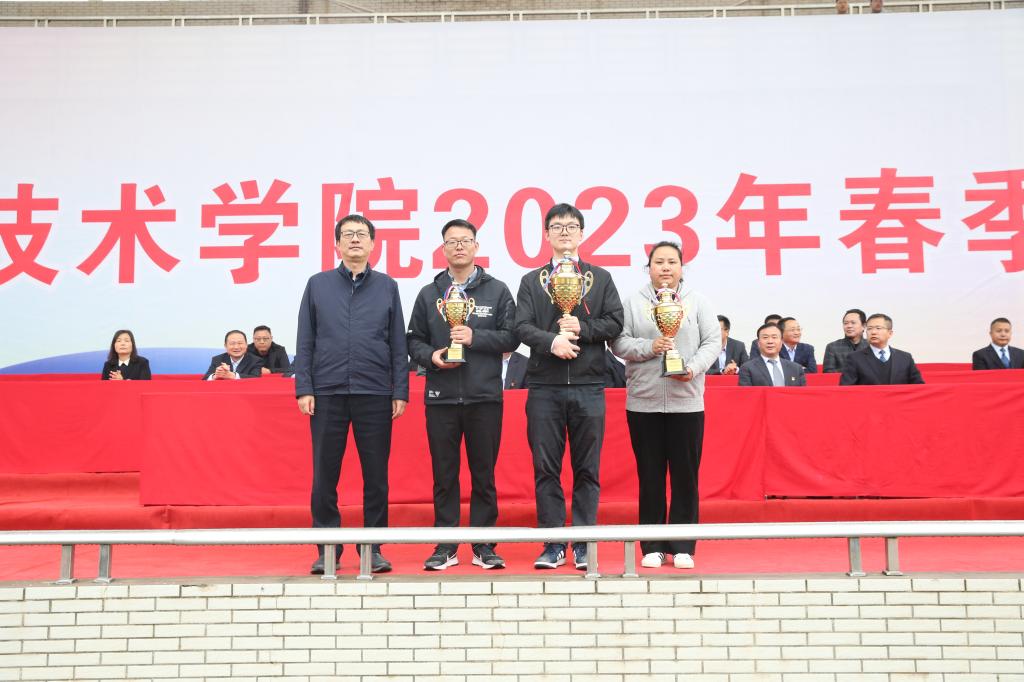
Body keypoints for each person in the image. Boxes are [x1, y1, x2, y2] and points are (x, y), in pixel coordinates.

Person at [294, 214, 409, 575]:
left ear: (373, 244)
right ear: (337, 244)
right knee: (324, 475)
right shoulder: (318, 285)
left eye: (361, 234)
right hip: (327, 392)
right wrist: (304, 387)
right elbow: (306, 339)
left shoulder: (387, 286)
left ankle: (372, 548)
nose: (355, 239)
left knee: (376, 476)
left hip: (374, 392)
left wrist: (400, 390)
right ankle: (327, 547)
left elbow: (398, 342)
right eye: (348, 234)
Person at [514, 203, 624, 571]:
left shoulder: (599, 278)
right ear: (546, 234)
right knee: (545, 468)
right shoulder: (532, 281)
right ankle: (553, 543)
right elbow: (521, 326)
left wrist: (583, 329)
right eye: (557, 226)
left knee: (587, 468)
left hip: (588, 384)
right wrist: (552, 342)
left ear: (582, 234)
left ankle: (583, 543)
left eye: (571, 226)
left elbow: (615, 323)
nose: (564, 231)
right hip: (544, 386)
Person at [406, 218, 518, 571]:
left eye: (465, 240)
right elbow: (413, 340)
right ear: (443, 249)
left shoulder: (497, 290)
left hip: (484, 397)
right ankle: (446, 545)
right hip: (440, 397)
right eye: (451, 241)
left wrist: (475, 338)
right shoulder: (429, 293)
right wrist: (433, 357)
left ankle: (484, 544)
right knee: (444, 475)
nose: (458, 246)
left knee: (484, 475)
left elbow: (513, 336)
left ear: (476, 246)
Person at [610, 241, 719, 570]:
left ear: (682, 267)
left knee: (686, 477)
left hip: (687, 402)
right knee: (650, 477)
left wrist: (693, 368)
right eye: (659, 262)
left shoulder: (698, 302)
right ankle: (653, 544)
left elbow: (712, 341)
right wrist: (650, 346)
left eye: (672, 261)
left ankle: (683, 544)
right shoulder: (633, 302)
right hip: (644, 403)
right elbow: (618, 342)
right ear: (649, 268)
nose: (666, 268)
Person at [840, 313, 924, 385]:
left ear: (890, 333)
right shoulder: (854, 358)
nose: (873, 332)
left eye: (878, 328)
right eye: (869, 328)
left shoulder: (905, 358)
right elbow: (846, 390)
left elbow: (919, 387)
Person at [738, 324, 807, 387]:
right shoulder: (748, 368)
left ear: (781, 342)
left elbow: (802, 394)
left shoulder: (796, 369)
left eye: (774, 337)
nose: (770, 341)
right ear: (758, 343)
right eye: (765, 337)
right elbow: (746, 394)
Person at [822, 309, 868, 373]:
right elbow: (828, 372)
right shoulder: (832, 347)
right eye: (846, 323)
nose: (849, 326)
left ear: (864, 326)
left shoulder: (871, 346)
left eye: (853, 323)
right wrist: (852, 369)